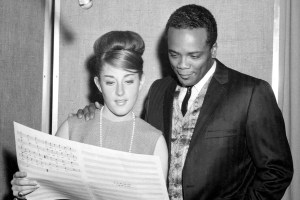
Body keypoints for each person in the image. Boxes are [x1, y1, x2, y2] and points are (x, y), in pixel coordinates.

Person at [75, 4, 294, 200]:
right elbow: (138, 146)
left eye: (194, 56)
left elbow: (277, 171)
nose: (182, 65)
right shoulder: (158, 90)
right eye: (174, 54)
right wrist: (97, 115)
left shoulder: (252, 93)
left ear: (213, 49)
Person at [10, 30, 168, 200]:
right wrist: (24, 193)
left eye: (128, 81)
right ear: (98, 84)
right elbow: (46, 193)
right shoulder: (72, 128)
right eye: (110, 82)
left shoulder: (155, 141)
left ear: (141, 81)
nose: (120, 92)